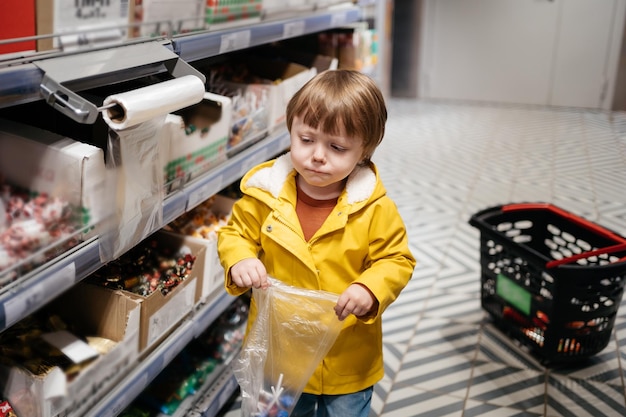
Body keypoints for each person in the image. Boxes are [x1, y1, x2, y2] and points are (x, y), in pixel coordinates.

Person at [217, 69, 416, 417]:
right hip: (282, 352)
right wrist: (240, 260)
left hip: (346, 356)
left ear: (364, 150)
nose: (318, 155)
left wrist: (369, 289)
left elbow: (396, 259)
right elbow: (235, 234)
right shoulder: (265, 195)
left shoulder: (373, 207)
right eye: (306, 139)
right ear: (290, 130)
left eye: (337, 147)